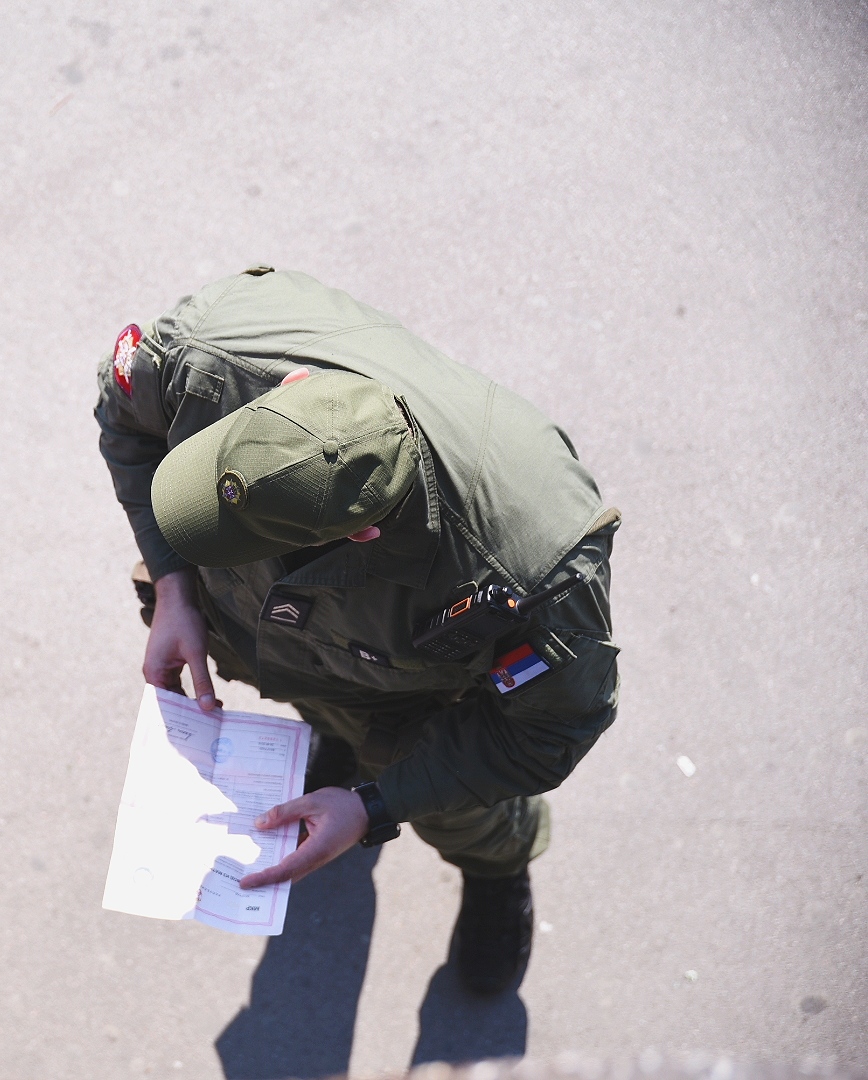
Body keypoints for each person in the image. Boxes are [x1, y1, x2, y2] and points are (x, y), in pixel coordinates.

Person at [95, 268, 620, 994]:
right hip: (272, 637)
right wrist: (177, 584)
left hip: (413, 691)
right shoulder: (211, 353)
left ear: (363, 532)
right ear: (292, 387)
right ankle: (335, 741)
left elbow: (548, 730)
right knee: (326, 716)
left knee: (458, 811)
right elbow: (124, 416)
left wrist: (376, 804)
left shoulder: (536, 567)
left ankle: (494, 871)